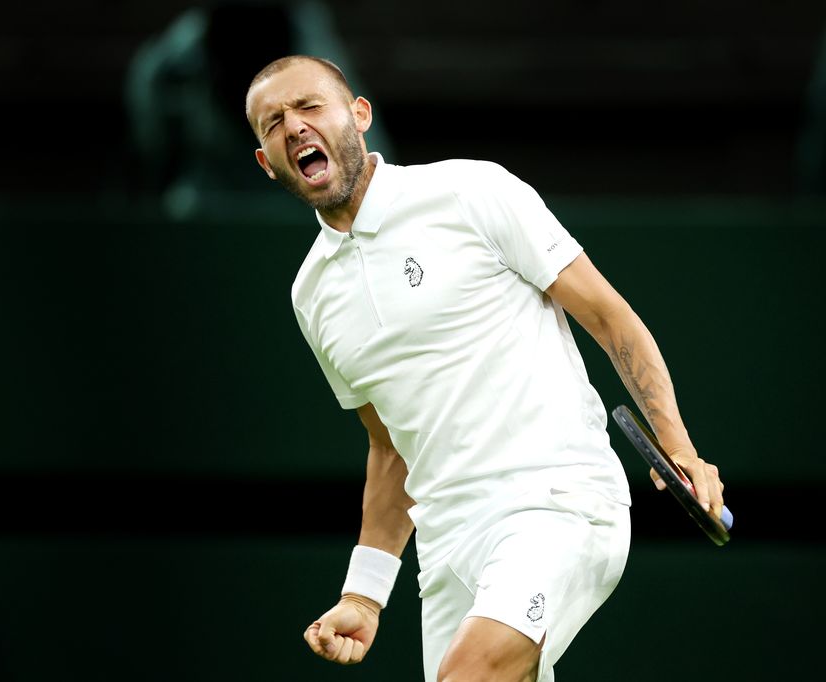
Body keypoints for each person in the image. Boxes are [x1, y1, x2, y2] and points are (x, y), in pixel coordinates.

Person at [244, 55, 726, 682]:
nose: (295, 127)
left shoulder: (471, 191)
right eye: (274, 122)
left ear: (358, 115)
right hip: (447, 550)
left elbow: (609, 318)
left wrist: (677, 443)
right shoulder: (311, 295)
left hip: (556, 504)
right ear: (266, 160)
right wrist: (364, 595)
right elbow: (391, 447)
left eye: (310, 106)